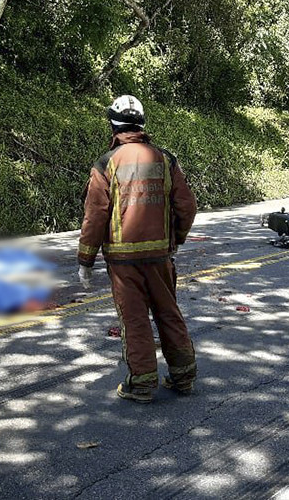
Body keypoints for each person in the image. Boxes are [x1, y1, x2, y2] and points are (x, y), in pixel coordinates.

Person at [77, 94, 197, 404]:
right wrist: (177, 238)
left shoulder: (106, 163)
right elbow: (186, 205)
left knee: (135, 319)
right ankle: (183, 377)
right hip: (160, 255)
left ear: (113, 127)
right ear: (142, 125)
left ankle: (142, 383)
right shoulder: (165, 159)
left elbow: (96, 215)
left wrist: (85, 259)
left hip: (123, 260)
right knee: (168, 312)